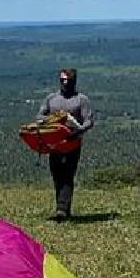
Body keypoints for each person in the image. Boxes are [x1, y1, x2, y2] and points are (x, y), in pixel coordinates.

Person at [35, 68, 94, 220]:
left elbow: (89, 120)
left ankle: (62, 208)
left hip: (72, 142)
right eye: (62, 80)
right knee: (57, 174)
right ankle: (62, 207)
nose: (64, 83)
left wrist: (78, 131)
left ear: (74, 81)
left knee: (68, 174)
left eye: (67, 80)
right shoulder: (51, 98)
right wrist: (50, 121)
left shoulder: (81, 100)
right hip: (54, 143)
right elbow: (40, 115)